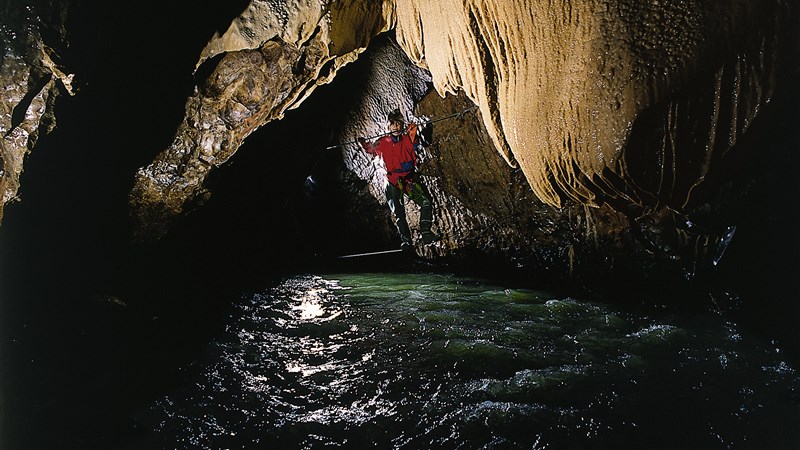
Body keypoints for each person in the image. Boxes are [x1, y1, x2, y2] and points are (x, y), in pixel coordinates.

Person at [358, 108, 441, 251]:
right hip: (392, 181)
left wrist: (415, 129)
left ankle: (426, 233)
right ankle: (406, 242)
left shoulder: (408, 139)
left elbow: (416, 140)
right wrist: (363, 143)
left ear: (402, 126)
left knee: (426, 202)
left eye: (398, 123)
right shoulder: (382, 142)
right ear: (388, 126)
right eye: (393, 124)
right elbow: (371, 149)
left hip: (408, 180)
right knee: (398, 211)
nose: (396, 126)